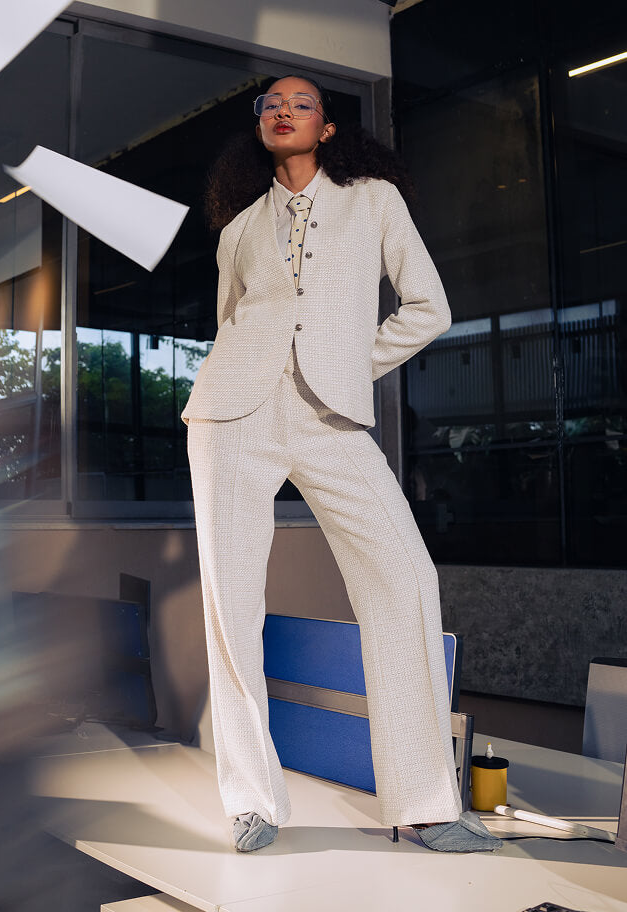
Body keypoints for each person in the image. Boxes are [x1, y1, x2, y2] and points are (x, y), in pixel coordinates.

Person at [180, 74, 501, 855]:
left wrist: (353, 367)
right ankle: (251, 800)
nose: (282, 111)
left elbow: (428, 307)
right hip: (231, 415)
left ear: (326, 128)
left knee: (405, 577)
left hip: (330, 417)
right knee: (232, 606)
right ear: (259, 125)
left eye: (301, 104)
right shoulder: (238, 231)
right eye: (269, 105)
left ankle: (425, 802)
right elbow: (230, 324)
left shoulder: (374, 201)